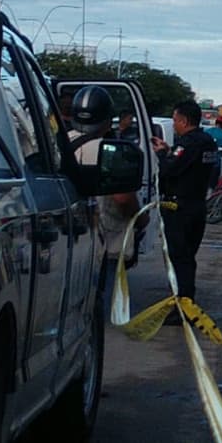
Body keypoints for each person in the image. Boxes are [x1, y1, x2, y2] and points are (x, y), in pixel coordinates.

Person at [68, 86, 141, 305]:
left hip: (66, 237)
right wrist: (141, 218)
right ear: (108, 121)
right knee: (97, 302)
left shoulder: (57, 143)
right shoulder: (111, 150)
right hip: (103, 241)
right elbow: (123, 198)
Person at [152, 100, 218, 310]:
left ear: (184, 121)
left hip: (179, 208)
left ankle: (183, 305)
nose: (174, 125)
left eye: (175, 120)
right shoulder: (208, 142)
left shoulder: (188, 144)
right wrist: (169, 150)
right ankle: (184, 301)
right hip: (197, 204)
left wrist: (161, 154)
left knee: (180, 258)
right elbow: (191, 165)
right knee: (188, 256)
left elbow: (170, 169)